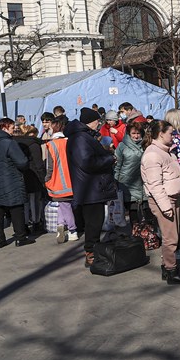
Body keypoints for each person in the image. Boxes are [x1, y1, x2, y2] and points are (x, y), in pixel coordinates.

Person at [141, 120, 180, 284]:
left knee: (171, 236)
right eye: (171, 133)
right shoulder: (153, 155)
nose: (174, 136)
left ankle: (167, 268)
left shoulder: (166, 152)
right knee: (170, 238)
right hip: (165, 201)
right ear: (161, 134)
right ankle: (171, 271)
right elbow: (155, 185)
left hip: (172, 199)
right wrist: (166, 207)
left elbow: (176, 173)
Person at [67, 108, 118, 267]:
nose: (99, 124)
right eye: (97, 121)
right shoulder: (81, 138)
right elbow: (87, 162)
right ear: (91, 121)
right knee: (93, 223)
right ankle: (91, 254)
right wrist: (109, 159)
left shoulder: (83, 136)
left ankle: (93, 252)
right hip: (89, 187)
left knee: (94, 221)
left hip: (92, 186)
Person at [0, 118, 34, 248]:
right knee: (16, 207)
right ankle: (20, 237)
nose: (14, 129)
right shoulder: (9, 143)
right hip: (10, 178)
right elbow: (22, 162)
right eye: (11, 127)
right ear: (4, 128)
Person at [44, 115, 79, 244]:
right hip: (72, 180)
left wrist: (47, 180)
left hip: (57, 182)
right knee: (65, 205)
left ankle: (71, 229)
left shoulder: (51, 145)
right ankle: (64, 225)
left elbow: (50, 167)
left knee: (64, 205)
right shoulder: (70, 142)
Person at [14, 125, 47, 234]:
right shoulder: (33, 144)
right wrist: (43, 178)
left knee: (25, 202)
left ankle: (24, 224)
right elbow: (39, 164)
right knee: (35, 200)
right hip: (33, 175)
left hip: (20, 175)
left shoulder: (14, 143)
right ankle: (36, 223)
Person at [114, 122, 147, 206]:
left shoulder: (146, 145)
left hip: (144, 184)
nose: (136, 136)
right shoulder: (122, 146)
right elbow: (117, 166)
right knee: (133, 215)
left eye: (138, 133)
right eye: (133, 133)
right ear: (128, 133)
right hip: (127, 185)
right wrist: (115, 183)